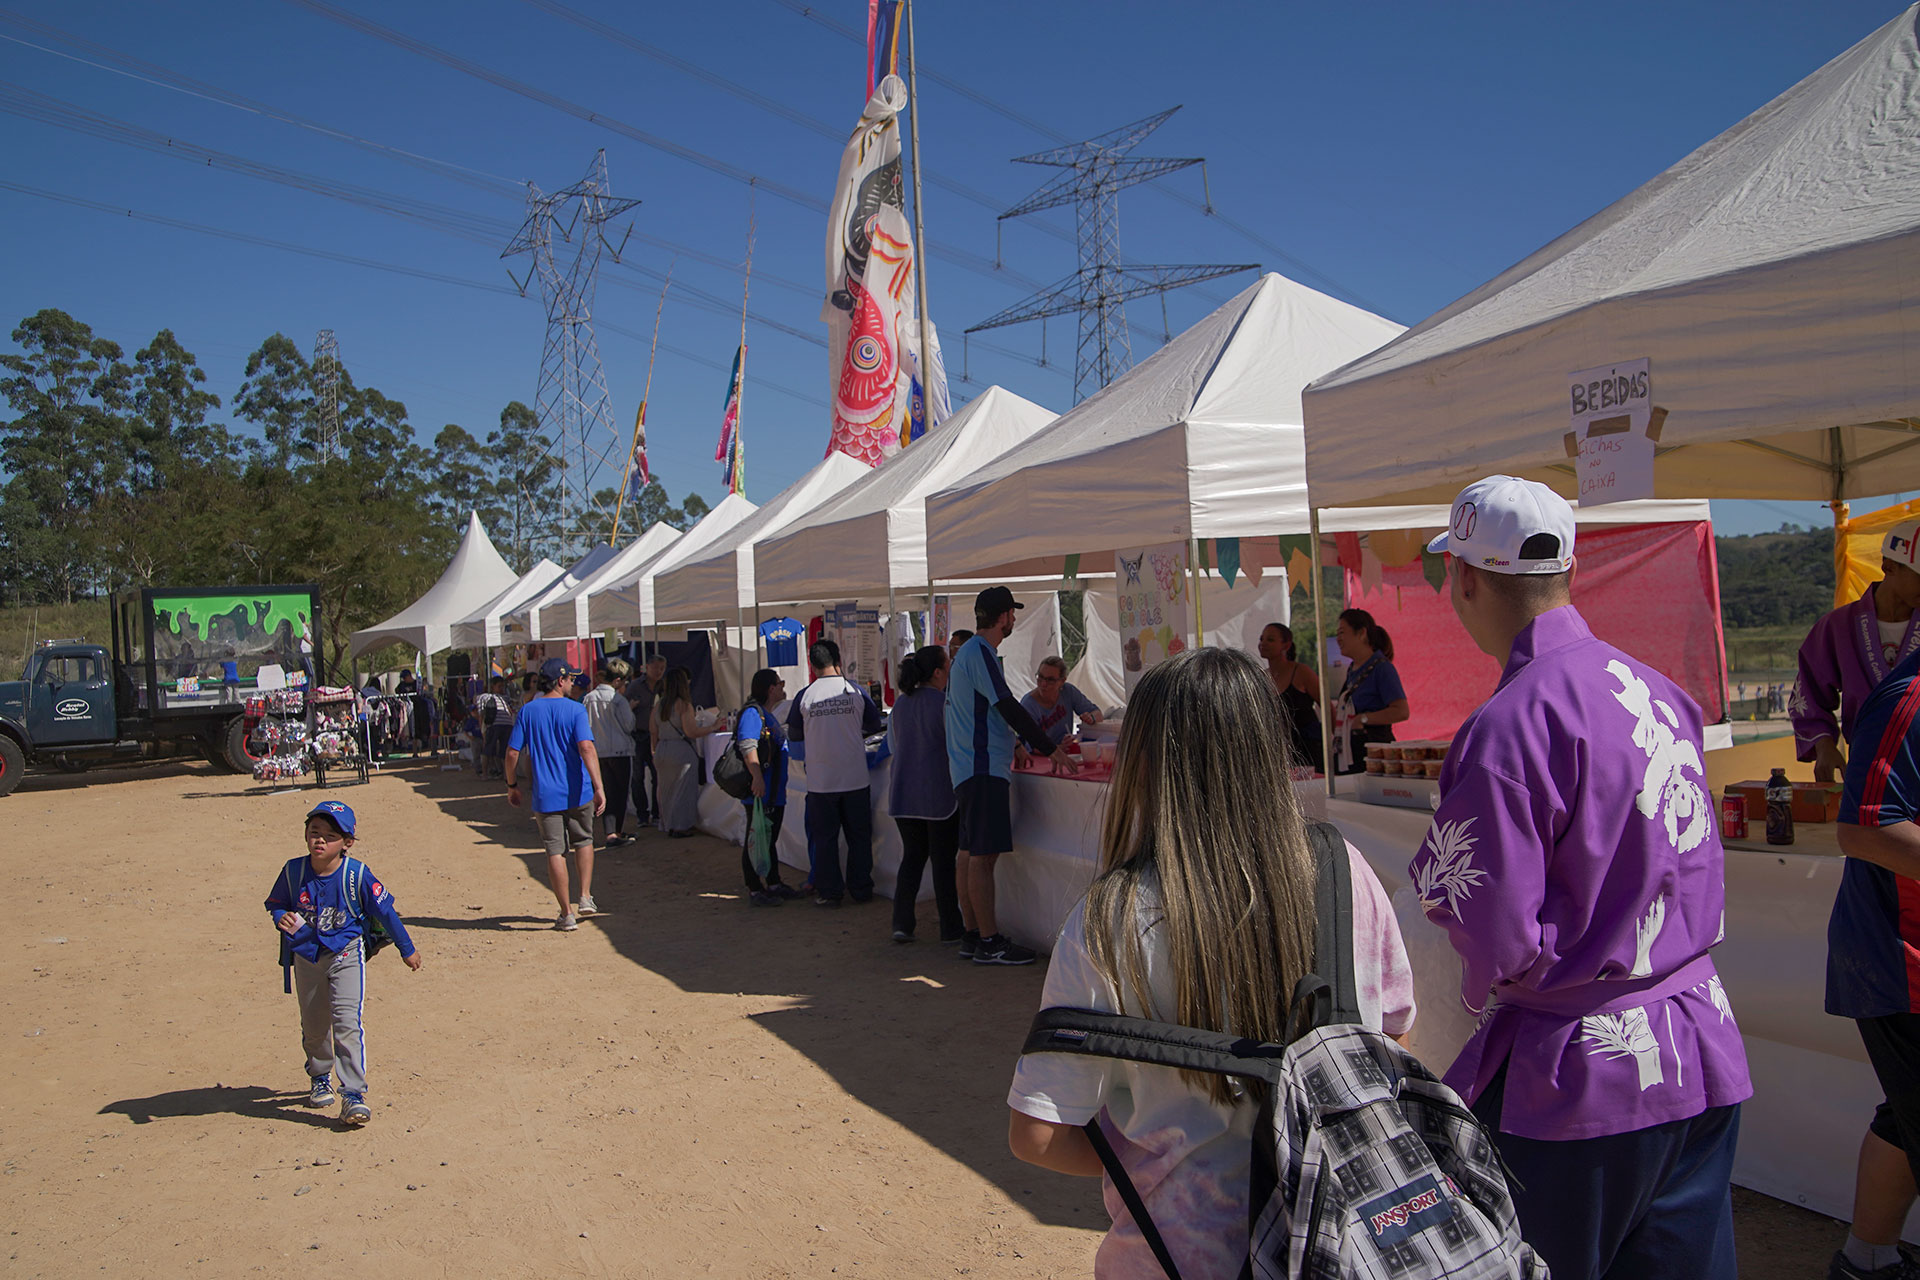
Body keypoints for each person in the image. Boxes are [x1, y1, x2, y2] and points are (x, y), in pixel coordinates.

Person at [1413, 475, 1751, 1279]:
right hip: (1698, 1040)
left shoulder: (1510, 724)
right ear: (1569, 569)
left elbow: (1493, 929)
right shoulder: (1661, 692)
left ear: (1464, 579)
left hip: (1583, 1075)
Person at [1006, 647, 1417, 1276]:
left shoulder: (1109, 918)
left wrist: (1158, 1155)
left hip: (1175, 1255)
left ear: (1142, 764)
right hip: (1340, 1244)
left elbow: (1037, 1134)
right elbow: (1392, 1038)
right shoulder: (1345, 872)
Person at [1824, 638, 1920, 1280]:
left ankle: (1867, 1260)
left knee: (1907, 1115)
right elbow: (1864, 827)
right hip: (1903, 960)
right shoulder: (1908, 697)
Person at [264, 800, 423, 1126]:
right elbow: (277, 901)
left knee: (347, 1022)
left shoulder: (357, 875)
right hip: (306, 956)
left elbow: (385, 912)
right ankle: (320, 1075)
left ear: (347, 842)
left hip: (346, 954)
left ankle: (353, 1094)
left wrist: (406, 949)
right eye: (314, 832)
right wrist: (280, 915)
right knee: (314, 1024)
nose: (320, 840)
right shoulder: (293, 872)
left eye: (330, 836)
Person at [947, 586, 1078, 965]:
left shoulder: (970, 653)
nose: (1014, 620)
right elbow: (1006, 705)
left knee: (969, 853)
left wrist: (1016, 742)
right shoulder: (980, 652)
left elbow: (988, 710)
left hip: (970, 766)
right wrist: (1047, 747)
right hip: (982, 767)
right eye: (1012, 614)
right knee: (982, 857)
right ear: (1003, 616)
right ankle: (989, 941)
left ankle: (973, 935)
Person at [1795, 521, 1920, 785]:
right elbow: (1808, 691)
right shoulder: (1838, 626)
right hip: (1867, 768)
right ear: (1889, 567)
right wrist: (1824, 745)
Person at [504, 658, 607, 931]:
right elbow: (586, 748)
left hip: (546, 794)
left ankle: (566, 912)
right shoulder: (575, 710)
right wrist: (598, 786)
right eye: (571, 679)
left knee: (555, 850)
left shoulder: (528, 711)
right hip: (578, 790)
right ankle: (585, 896)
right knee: (584, 841)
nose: (573, 683)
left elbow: (512, 753)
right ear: (560, 681)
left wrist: (511, 784)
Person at [787, 638, 885, 906]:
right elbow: (874, 724)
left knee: (825, 840)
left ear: (812, 665)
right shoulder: (854, 691)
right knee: (859, 837)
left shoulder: (805, 696)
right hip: (855, 777)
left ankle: (830, 892)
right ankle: (861, 889)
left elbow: (794, 735)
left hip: (821, 781)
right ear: (838, 660)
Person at [888, 645, 965, 945]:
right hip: (937, 793)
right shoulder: (944, 703)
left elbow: (893, 746)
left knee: (912, 858)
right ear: (937, 672)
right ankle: (950, 927)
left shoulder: (901, 704)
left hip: (904, 793)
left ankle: (902, 923)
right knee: (943, 863)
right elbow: (957, 746)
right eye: (947, 666)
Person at [736, 668, 799, 907]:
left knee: (768, 838)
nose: (783, 687)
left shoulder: (764, 713)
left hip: (771, 792)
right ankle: (755, 888)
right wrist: (757, 778)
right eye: (780, 683)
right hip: (762, 792)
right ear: (771, 689)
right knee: (757, 838)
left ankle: (773, 883)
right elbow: (747, 745)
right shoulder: (753, 713)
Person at [1334, 607, 1408, 772]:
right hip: (1352, 753)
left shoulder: (1382, 668)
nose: (1338, 639)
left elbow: (1401, 711)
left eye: (1342, 632)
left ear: (1361, 633)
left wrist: (1363, 719)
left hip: (1374, 754)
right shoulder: (1352, 670)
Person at [652, 666, 722, 838]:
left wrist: (654, 750)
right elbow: (691, 731)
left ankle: (667, 823)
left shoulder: (659, 705)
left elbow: (653, 730)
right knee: (683, 790)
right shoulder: (683, 705)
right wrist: (713, 727)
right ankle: (681, 826)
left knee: (666, 790)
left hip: (662, 748)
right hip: (680, 750)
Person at [582, 663, 637, 847]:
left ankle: (610, 831)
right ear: (618, 680)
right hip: (620, 751)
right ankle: (615, 832)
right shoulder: (618, 700)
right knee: (620, 793)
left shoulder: (588, 698)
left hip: (597, 751)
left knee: (605, 791)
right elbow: (629, 725)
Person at [1258, 621, 1324, 772]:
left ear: (1286, 645)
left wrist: (1334, 741)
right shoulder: (1261, 677)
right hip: (1279, 753)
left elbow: (1327, 707)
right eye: (1261, 639)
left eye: (1270, 639)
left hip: (1309, 751)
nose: (1263, 643)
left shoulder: (1301, 672)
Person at [1018, 656, 1103, 747]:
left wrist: (1091, 718)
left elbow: (1098, 714)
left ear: (1062, 681)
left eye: (1050, 680)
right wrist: (1060, 748)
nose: (1043, 684)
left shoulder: (1068, 691)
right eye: (1040, 677)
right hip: (1041, 754)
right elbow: (1030, 746)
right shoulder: (1028, 704)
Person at [628, 655, 665, 829]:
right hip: (638, 735)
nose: (659, 672)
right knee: (637, 777)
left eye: (662, 668)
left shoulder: (663, 686)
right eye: (656, 667)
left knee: (657, 775)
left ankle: (657, 813)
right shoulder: (635, 686)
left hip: (657, 736)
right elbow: (624, 708)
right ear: (647, 667)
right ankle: (642, 814)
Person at [478, 676, 514, 779]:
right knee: (488, 749)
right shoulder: (484, 697)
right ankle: (485, 773)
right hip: (494, 725)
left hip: (506, 725)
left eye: (503, 686)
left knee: (504, 750)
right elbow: (481, 715)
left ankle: (505, 774)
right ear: (492, 687)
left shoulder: (506, 698)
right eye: (499, 686)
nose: (502, 688)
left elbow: (511, 711)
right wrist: (483, 730)